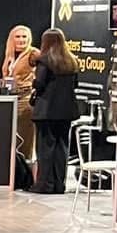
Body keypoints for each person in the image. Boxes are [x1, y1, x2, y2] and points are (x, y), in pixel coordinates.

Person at [30, 28, 81, 193]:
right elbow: (75, 85)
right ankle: (59, 184)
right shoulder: (72, 61)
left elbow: (39, 84)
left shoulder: (44, 61)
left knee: (45, 148)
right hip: (66, 111)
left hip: (47, 111)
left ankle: (44, 184)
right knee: (62, 147)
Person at [3, 25, 38, 168]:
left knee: (25, 138)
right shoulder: (10, 54)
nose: (21, 39)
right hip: (10, 99)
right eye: (18, 36)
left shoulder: (33, 53)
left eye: (24, 36)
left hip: (25, 100)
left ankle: (26, 170)